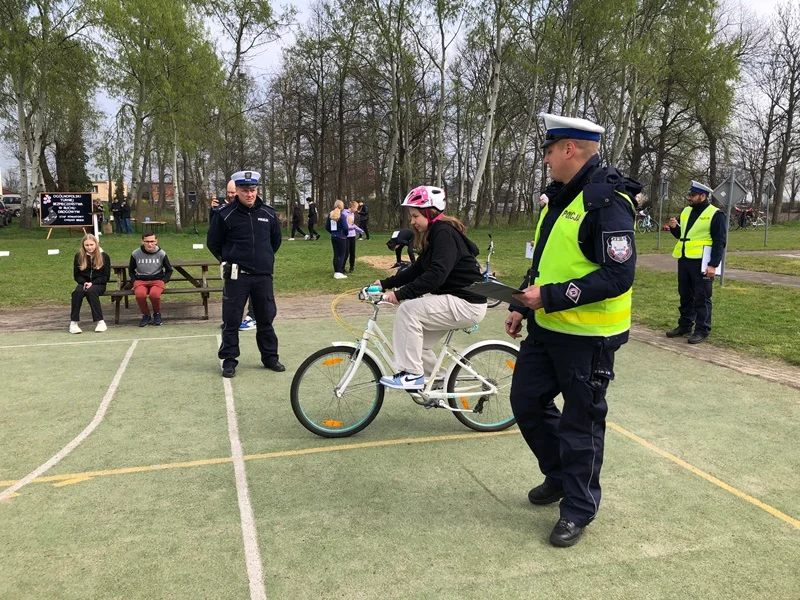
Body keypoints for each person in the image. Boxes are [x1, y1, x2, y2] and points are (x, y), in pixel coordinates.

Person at [505, 114, 640, 548]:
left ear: (569, 149)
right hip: (546, 328)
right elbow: (546, 261)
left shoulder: (608, 201)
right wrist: (521, 308)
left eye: (548, 151)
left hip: (589, 339)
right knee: (526, 402)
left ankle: (578, 509)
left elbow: (619, 277)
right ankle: (561, 476)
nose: (544, 160)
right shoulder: (561, 197)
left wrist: (553, 297)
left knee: (581, 425)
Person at [373, 185, 486, 390]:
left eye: (415, 216)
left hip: (467, 302)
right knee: (417, 345)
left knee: (408, 311)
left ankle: (412, 374)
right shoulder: (435, 234)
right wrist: (385, 283)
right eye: (411, 216)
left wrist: (400, 295)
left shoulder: (443, 233)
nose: (412, 222)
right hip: (458, 301)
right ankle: (440, 382)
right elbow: (418, 269)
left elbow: (436, 274)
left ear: (430, 212)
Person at [207, 170, 284, 378]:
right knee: (231, 319)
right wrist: (230, 258)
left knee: (265, 318)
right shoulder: (224, 214)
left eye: (252, 190)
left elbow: (275, 241)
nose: (249, 194)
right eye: (244, 190)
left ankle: (270, 357)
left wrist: (263, 258)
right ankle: (229, 360)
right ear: (237, 191)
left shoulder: (268, 213)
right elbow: (213, 243)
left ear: (257, 190)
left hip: (262, 276)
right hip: (236, 276)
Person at [665, 180, 727, 344]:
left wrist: (713, 265)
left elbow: (719, 242)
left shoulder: (716, 214)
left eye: (692, 195)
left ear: (703, 196)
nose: (689, 198)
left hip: (702, 262)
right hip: (685, 259)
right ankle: (685, 325)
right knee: (685, 295)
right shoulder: (686, 211)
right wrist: (674, 228)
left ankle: (702, 329)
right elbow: (682, 235)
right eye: (689, 195)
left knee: (702, 296)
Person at [212, 180, 257, 331]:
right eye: (229, 192)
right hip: (232, 261)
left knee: (254, 289)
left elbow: (272, 240)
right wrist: (225, 256)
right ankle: (230, 320)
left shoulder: (257, 211)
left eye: (233, 192)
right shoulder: (223, 210)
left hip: (254, 262)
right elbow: (214, 240)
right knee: (231, 292)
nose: (231, 195)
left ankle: (252, 316)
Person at [129, 231, 173, 327]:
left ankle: (157, 314)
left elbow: (169, 270)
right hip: (141, 280)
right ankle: (146, 315)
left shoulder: (162, 253)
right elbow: (131, 270)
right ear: (142, 241)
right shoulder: (135, 253)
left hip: (157, 280)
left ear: (156, 241)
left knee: (154, 295)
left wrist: (163, 280)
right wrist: (134, 281)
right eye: (147, 241)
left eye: (152, 241)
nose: (150, 244)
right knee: (140, 295)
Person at [70, 234, 110, 334]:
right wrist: (85, 282)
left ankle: (100, 322)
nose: (89, 247)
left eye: (91, 244)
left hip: (99, 284)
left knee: (91, 292)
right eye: (86, 245)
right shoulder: (78, 256)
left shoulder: (104, 256)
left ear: (96, 244)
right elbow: (77, 275)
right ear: (83, 246)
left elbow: (106, 277)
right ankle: (73, 323)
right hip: (84, 283)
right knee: (77, 292)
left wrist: (93, 283)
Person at [325, 200, 349, 279]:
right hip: (341, 237)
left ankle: (336, 271)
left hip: (334, 237)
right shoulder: (342, 216)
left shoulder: (330, 215)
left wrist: (332, 232)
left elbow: (327, 227)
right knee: (342, 254)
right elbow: (345, 227)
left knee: (336, 254)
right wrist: (345, 234)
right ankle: (339, 272)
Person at [342, 200, 365, 273]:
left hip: (352, 235)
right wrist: (355, 228)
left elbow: (352, 224)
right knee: (346, 252)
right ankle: (342, 267)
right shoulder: (344, 213)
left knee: (352, 252)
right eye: (356, 208)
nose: (356, 210)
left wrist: (359, 230)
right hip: (346, 236)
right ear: (352, 207)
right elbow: (347, 226)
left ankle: (352, 267)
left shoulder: (353, 214)